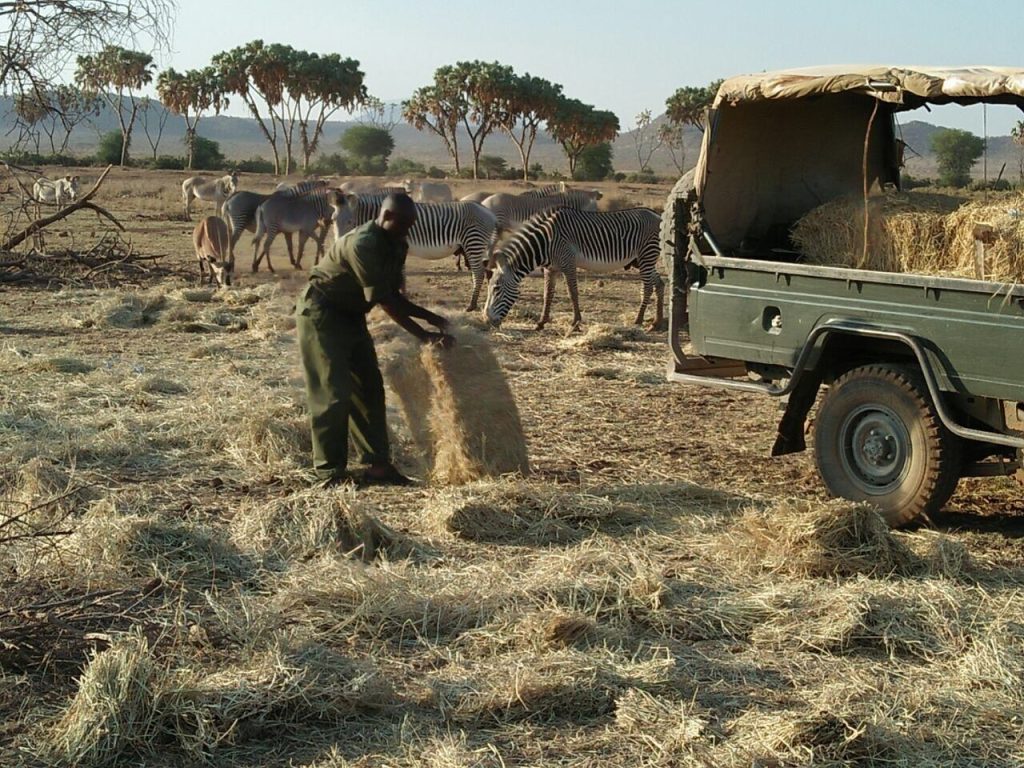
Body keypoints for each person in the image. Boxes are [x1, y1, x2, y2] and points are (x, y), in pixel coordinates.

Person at [295, 193, 453, 487]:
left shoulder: (397, 244)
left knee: (369, 388)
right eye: (404, 223)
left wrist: (435, 319)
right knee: (333, 392)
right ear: (387, 217)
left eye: (411, 224)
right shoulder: (363, 243)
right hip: (322, 313)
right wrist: (424, 333)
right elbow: (386, 301)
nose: (408, 230)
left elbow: (397, 295)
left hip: (352, 314)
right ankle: (329, 472)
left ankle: (377, 466)